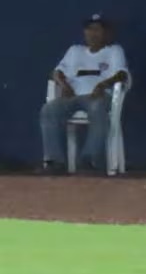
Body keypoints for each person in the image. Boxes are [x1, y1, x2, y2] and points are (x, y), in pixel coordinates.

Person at [40, 12, 129, 174]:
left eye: (97, 29)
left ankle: (89, 160)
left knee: (97, 108)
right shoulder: (75, 51)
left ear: (106, 33)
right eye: (89, 29)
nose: (93, 33)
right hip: (73, 96)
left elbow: (122, 74)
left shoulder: (114, 51)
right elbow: (56, 72)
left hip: (98, 96)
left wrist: (103, 84)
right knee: (49, 110)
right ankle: (54, 161)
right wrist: (64, 85)